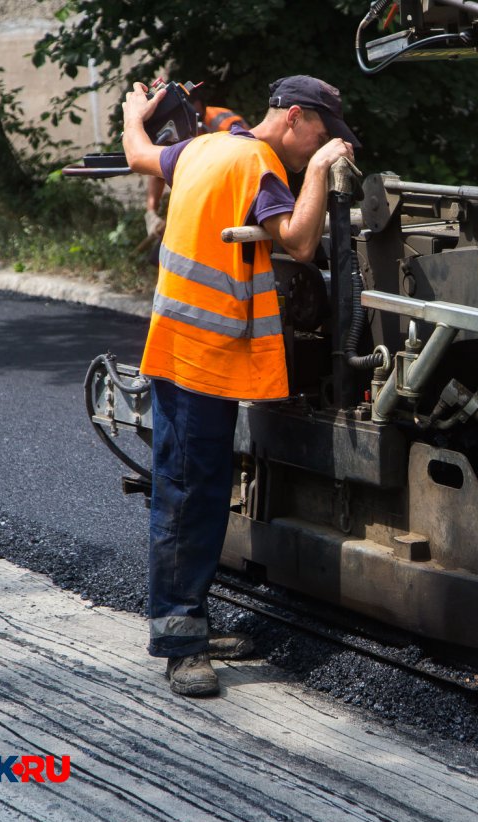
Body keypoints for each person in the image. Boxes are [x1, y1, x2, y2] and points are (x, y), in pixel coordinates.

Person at [121, 75, 358, 696]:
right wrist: (320, 172)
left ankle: (187, 621)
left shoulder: (205, 145)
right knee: (192, 493)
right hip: (204, 354)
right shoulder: (258, 161)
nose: (323, 145)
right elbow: (301, 242)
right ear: (295, 120)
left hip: (177, 344)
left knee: (190, 487)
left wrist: (132, 113)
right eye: (323, 135)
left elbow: (138, 157)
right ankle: (180, 643)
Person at [143, 88, 251, 253]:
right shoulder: (171, 128)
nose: (190, 123)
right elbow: (159, 169)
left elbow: (248, 166)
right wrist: (151, 212)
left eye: (195, 117)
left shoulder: (227, 125)